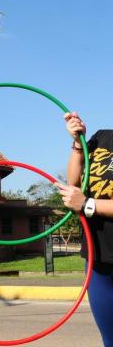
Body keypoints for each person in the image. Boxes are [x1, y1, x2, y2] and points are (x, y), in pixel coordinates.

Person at [56, 112, 113, 347]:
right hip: (98, 259)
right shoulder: (102, 138)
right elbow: (75, 183)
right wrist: (78, 144)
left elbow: (83, 201)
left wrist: (88, 205)